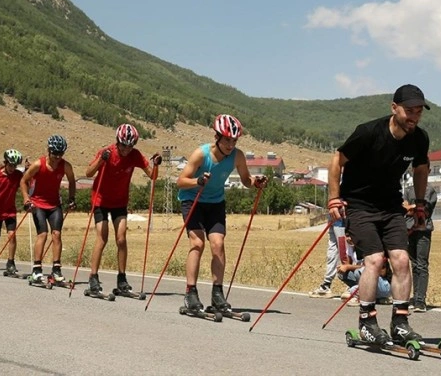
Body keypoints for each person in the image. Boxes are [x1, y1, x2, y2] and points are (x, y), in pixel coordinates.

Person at [327, 84, 431, 345]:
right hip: (359, 205)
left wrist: (419, 205)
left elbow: (420, 169)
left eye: (419, 112)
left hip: (390, 206)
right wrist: (333, 199)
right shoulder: (368, 132)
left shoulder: (419, 138)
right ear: (393, 108)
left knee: (401, 260)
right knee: (373, 260)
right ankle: (367, 322)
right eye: (409, 111)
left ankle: (400, 323)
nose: (414, 117)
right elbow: (337, 160)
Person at [176, 114, 267, 312]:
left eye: (234, 140)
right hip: (193, 200)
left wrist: (255, 182)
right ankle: (191, 292)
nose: (230, 144)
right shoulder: (202, 154)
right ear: (217, 136)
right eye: (227, 139)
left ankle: (217, 294)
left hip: (216, 202)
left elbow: (245, 180)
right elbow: (180, 181)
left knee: (218, 244)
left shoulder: (238, 156)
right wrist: (197, 181)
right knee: (197, 243)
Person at [85, 124, 161, 294]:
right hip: (100, 201)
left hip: (120, 202)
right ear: (117, 141)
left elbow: (153, 176)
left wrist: (156, 164)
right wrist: (100, 160)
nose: (127, 149)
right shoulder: (107, 152)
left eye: (130, 145)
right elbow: (89, 173)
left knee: (121, 239)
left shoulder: (135, 155)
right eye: (124, 145)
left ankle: (122, 279)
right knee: (102, 237)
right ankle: (93, 278)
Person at [20, 135, 76, 283]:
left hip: (54, 205)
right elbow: (24, 181)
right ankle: (37, 270)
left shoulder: (65, 166)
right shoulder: (39, 164)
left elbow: (72, 181)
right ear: (49, 151)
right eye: (55, 154)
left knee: (56, 235)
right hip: (38, 204)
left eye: (60, 154)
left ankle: (56, 270)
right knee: (43, 235)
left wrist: (72, 199)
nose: (57, 157)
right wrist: (26, 198)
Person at [403, 182, 437, 312]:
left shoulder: (429, 190)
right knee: (414, 264)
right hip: (409, 230)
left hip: (423, 231)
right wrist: (411, 208)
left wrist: (412, 208)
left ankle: (420, 300)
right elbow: (405, 207)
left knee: (422, 264)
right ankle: (415, 297)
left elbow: (423, 210)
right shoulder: (408, 190)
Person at [308, 218, 344, 298]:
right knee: (332, 250)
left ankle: (351, 287)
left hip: (344, 217)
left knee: (344, 248)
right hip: (333, 217)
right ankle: (326, 285)